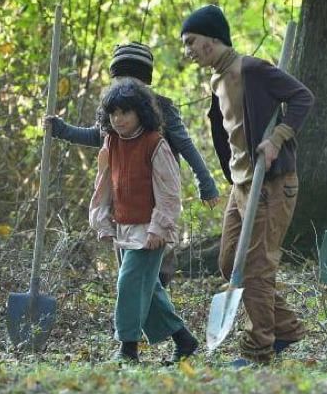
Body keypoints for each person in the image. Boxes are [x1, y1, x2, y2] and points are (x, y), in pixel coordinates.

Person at [180, 4, 314, 368]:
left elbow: (302, 97)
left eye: (191, 42)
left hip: (271, 184)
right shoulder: (217, 79)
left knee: (256, 265)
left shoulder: (252, 70)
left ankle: (260, 348)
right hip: (242, 185)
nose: (188, 51)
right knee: (228, 263)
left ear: (212, 39)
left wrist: (278, 139)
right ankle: (286, 328)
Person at [47, 42, 221, 286]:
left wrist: (206, 183)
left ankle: (150, 307)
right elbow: (96, 136)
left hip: (157, 195)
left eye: (133, 80)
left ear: (145, 82)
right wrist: (61, 130)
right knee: (128, 265)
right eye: (120, 79)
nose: (126, 85)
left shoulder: (161, 108)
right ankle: (142, 310)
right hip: (126, 199)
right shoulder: (114, 110)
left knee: (156, 263)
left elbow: (185, 145)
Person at [88, 78, 199, 364]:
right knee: (148, 291)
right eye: (113, 113)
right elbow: (105, 185)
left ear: (140, 112)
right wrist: (102, 220)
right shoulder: (111, 142)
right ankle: (184, 339)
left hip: (149, 230)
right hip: (123, 227)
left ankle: (127, 349)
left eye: (125, 112)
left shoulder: (154, 143)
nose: (118, 118)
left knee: (128, 284)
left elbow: (169, 190)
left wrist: (159, 227)